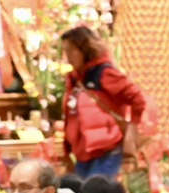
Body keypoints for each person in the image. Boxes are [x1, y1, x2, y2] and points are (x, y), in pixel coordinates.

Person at [60, 26, 146, 179]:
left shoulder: (105, 73)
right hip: (83, 152)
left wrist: (133, 125)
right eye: (66, 51)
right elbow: (70, 115)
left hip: (107, 149)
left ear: (84, 49)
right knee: (84, 191)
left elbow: (138, 99)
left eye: (72, 50)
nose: (68, 57)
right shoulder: (73, 79)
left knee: (97, 191)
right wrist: (67, 148)